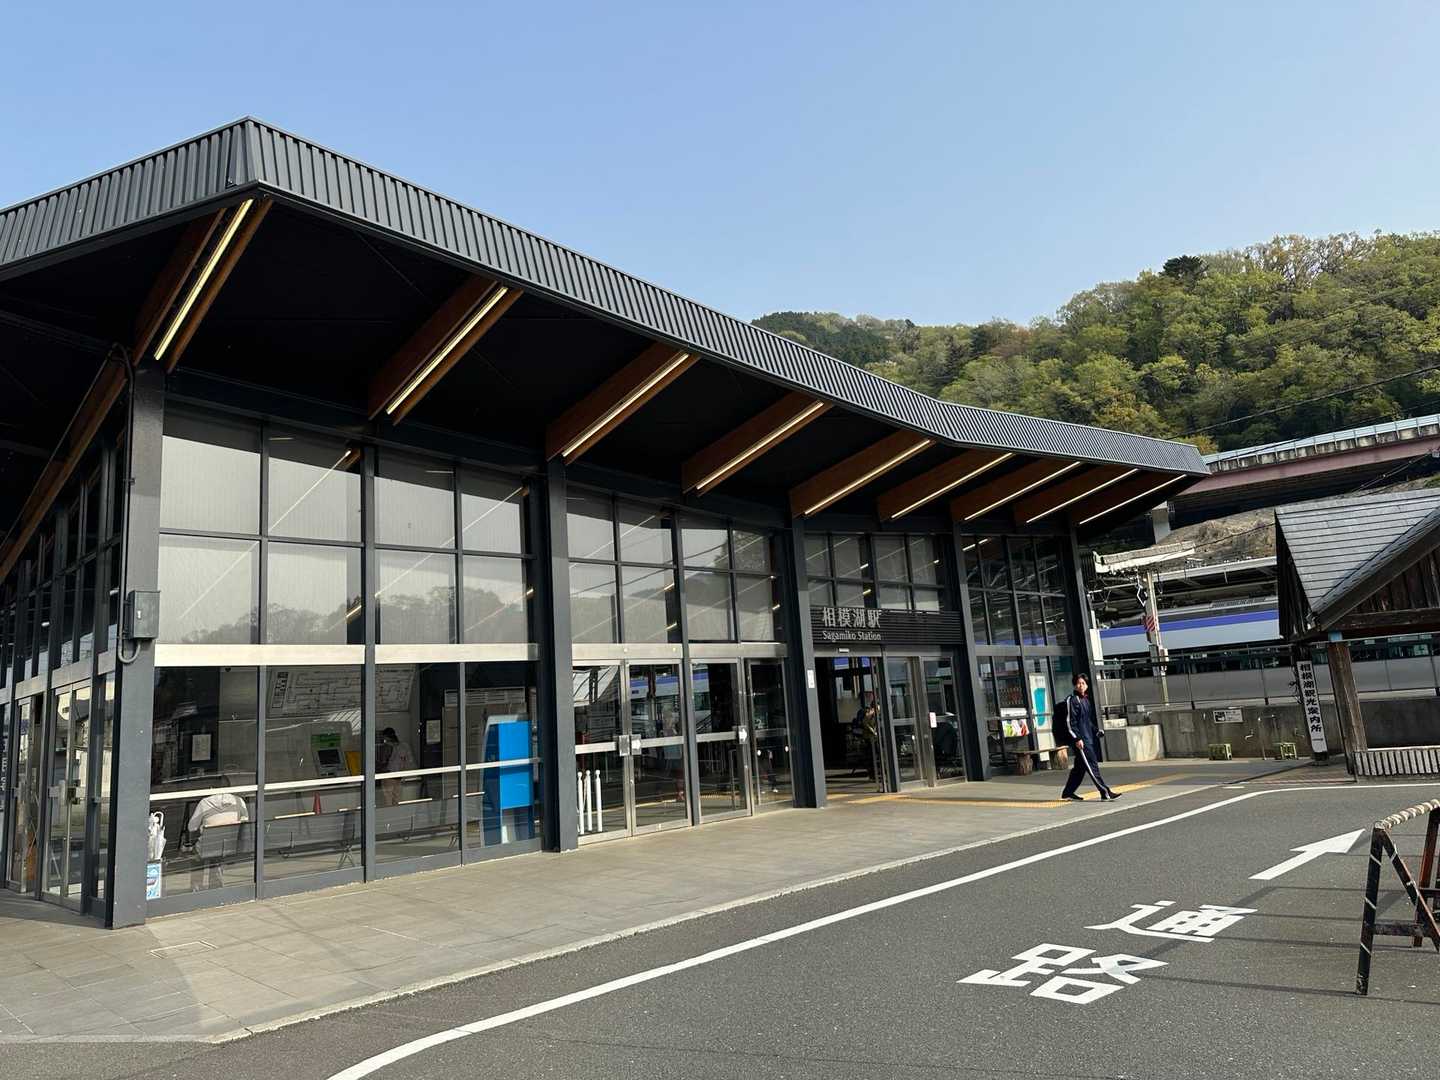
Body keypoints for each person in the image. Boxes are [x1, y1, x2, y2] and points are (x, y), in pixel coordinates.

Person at [1058, 672, 1119, 802]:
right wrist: (1077, 739)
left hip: (1088, 739)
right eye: (1078, 683)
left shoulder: (1085, 700)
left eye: (1083, 683)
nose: (1081, 685)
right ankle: (1105, 792)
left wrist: (1096, 731)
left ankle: (1068, 793)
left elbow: (1086, 721)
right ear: (1074, 685)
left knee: (1079, 769)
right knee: (1092, 766)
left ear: (1087, 685)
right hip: (1081, 742)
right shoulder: (1072, 700)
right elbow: (1070, 723)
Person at [187, 791, 250, 890]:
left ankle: (196, 886)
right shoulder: (239, 801)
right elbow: (245, 822)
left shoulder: (204, 803)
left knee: (195, 854)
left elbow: (192, 827)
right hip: (227, 846)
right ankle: (216, 886)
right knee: (216, 855)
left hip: (206, 847)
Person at [378, 727, 417, 807]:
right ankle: (394, 813)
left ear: (387, 737)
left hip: (389, 776)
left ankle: (389, 813)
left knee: (387, 800)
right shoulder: (404, 746)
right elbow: (409, 761)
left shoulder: (388, 747)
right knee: (396, 800)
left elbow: (383, 761)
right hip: (399, 777)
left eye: (384, 738)